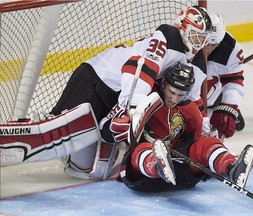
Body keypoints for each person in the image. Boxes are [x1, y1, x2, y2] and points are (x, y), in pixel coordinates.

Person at [0, 6, 212, 179]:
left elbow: (194, 100)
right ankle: (38, 122)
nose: (197, 42)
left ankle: (72, 152)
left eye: (202, 38)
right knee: (55, 131)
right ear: (182, 27)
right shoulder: (168, 36)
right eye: (194, 35)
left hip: (117, 94)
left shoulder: (196, 62)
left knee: (89, 171)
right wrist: (134, 109)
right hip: (98, 78)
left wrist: (204, 133)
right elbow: (138, 67)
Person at [118, 62, 253, 192]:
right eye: (171, 92)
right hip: (144, 178)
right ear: (164, 84)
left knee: (206, 143)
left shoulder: (190, 111)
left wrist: (206, 165)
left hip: (179, 175)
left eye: (180, 95)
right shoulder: (145, 99)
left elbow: (193, 147)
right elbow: (123, 131)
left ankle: (230, 169)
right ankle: (157, 164)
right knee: (143, 148)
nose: (174, 99)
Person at [205, 13, 246, 139]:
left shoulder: (230, 49)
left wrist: (229, 106)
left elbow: (233, 82)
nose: (208, 49)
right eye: (206, 43)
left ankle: (221, 106)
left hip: (212, 97)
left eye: (214, 44)